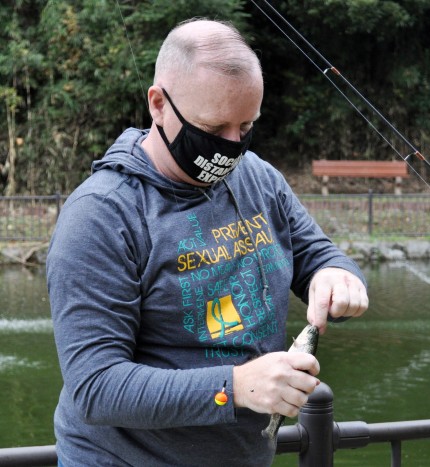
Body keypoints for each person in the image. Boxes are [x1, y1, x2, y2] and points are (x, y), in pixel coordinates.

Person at [46, 18, 368, 466]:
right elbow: (95, 387)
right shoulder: (101, 215)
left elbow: (317, 255)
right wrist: (235, 387)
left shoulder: (257, 177)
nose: (232, 147)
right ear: (158, 104)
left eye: (246, 125)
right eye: (214, 130)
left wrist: (338, 274)